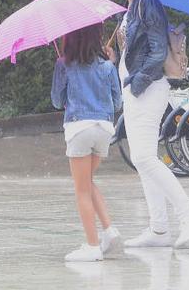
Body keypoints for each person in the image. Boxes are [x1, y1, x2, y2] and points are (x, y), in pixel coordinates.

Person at [107, 0, 189, 248]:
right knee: (145, 159)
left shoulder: (147, 2)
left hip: (147, 90)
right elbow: (135, 51)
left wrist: (136, 84)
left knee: (143, 158)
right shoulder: (132, 6)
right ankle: (159, 228)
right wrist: (117, 61)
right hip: (137, 91)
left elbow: (157, 51)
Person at [51, 23, 122, 262]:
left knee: (81, 189)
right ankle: (109, 230)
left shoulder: (64, 64)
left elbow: (57, 101)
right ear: (97, 36)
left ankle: (92, 246)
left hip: (79, 128)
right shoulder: (107, 66)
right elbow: (117, 102)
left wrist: (61, 74)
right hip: (104, 129)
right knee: (88, 182)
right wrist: (110, 64)